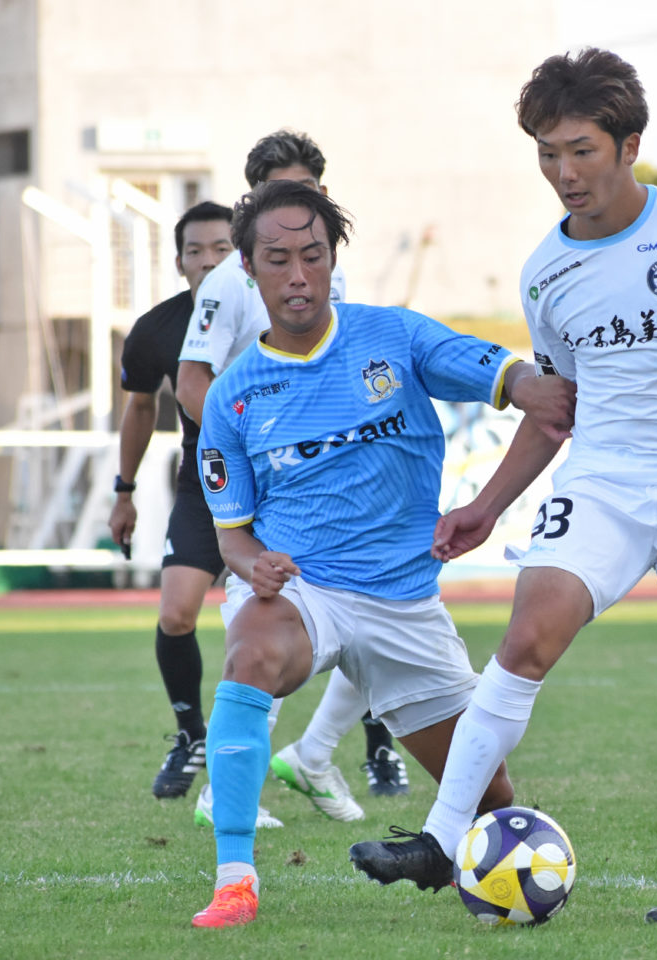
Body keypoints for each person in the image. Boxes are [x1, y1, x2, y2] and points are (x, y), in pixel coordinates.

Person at [348, 47, 657, 925]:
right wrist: (485, 506)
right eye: (547, 154)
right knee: (525, 640)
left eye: (581, 150)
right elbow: (558, 410)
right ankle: (439, 838)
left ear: (629, 146)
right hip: (606, 483)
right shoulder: (546, 272)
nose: (565, 173)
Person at [189, 180, 576, 927]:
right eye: (278, 260)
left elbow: (501, 372)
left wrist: (530, 385)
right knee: (250, 651)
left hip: (404, 602)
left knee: (491, 805)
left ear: (334, 259)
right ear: (248, 267)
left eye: (313, 255)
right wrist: (251, 564)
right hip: (307, 590)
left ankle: (501, 886)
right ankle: (235, 878)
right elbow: (231, 535)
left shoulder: (393, 337)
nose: (298, 275)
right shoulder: (233, 397)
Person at [176, 129, 403, 826]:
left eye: (301, 193)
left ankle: (313, 755)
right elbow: (192, 382)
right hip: (273, 489)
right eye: (273, 196)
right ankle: (225, 791)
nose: (291, 215)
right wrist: (252, 455)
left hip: (343, 487)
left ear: (323, 195)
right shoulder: (231, 279)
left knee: (385, 615)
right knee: (264, 630)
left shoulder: (333, 274)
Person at [110, 201, 234, 800]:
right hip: (205, 484)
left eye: (222, 249)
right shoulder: (157, 329)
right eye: (195, 251)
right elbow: (140, 407)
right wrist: (124, 492)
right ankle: (191, 737)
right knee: (176, 613)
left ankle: (372, 748)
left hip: (286, 484)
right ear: (179, 262)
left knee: (350, 609)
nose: (208, 261)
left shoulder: (278, 314)